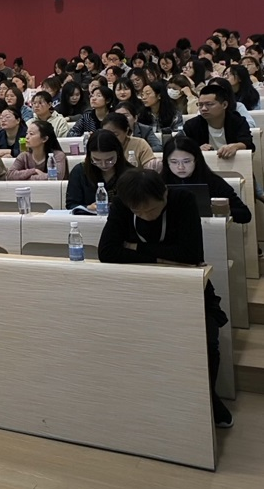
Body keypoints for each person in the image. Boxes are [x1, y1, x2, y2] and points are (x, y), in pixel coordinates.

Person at [97, 168, 232, 428]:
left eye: (152, 209)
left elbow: (191, 254)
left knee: (207, 340)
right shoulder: (123, 204)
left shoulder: (183, 201)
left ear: (165, 194)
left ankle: (208, 397)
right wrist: (163, 256)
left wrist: (135, 246)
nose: (146, 216)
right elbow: (107, 252)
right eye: (139, 212)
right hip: (139, 291)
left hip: (186, 287)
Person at [162, 136, 251, 223]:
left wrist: (222, 210)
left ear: (196, 160)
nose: (180, 167)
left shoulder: (213, 181)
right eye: (174, 162)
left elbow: (245, 214)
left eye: (186, 161)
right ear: (167, 162)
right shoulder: (161, 182)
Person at [181, 84, 254, 159]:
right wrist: (197, 149)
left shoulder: (238, 121)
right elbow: (182, 147)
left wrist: (235, 146)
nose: (203, 109)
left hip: (233, 162)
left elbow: (248, 144)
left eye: (209, 104)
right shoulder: (192, 125)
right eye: (200, 105)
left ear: (224, 105)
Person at [65, 129, 128, 210]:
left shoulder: (130, 173)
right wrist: (88, 208)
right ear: (89, 156)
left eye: (109, 160)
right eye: (97, 160)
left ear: (118, 153)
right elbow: (71, 205)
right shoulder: (80, 171)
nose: (103, 165)